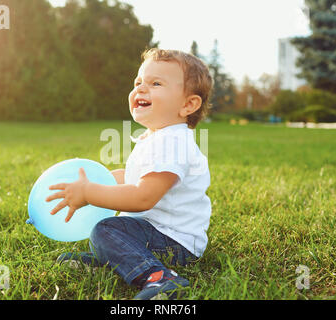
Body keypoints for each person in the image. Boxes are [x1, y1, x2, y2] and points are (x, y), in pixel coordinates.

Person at [45, 48, 213, 300]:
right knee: (108, 232)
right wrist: (104, 180)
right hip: (153, 231)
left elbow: (142, 197)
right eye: (138, 82)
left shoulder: (173, 143)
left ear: (188, 104)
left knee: (107, 230)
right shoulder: (158, 137)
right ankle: (118, 260)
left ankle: (160, 277)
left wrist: (90, 192)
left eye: (156, 83)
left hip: (174, 242)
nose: (141, 89)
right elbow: (139, 177)